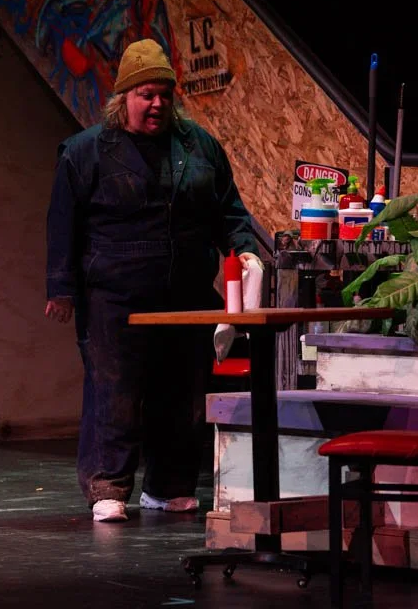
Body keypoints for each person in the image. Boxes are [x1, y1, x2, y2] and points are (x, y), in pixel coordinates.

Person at [45, 38, 261, 523]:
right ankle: (108, 486)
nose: (158, 103)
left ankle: (169, 486)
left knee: (183, 394)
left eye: (165, 93)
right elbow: (63, 223)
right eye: (146, 94)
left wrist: (244, 248)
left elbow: (229, 209)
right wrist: (60, 288)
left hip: (185, 291)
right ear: (123, 98)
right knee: (115, 393)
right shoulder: (87, 152)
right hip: (114, 294)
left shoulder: (199, 146)